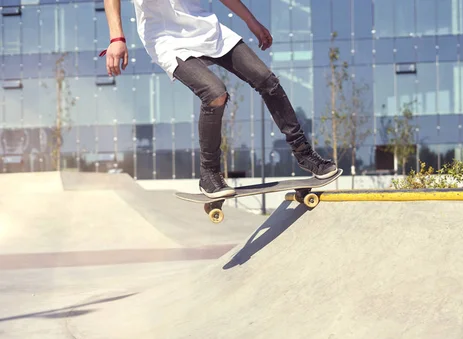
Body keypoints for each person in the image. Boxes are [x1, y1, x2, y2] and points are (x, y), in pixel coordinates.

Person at [101, 0, 338, 198]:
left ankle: (305, 154)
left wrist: (251, 20)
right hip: (165, 37)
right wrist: (117, 38)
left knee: (267, 81)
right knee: (215, 94)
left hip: (205, 27)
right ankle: (209, 174)